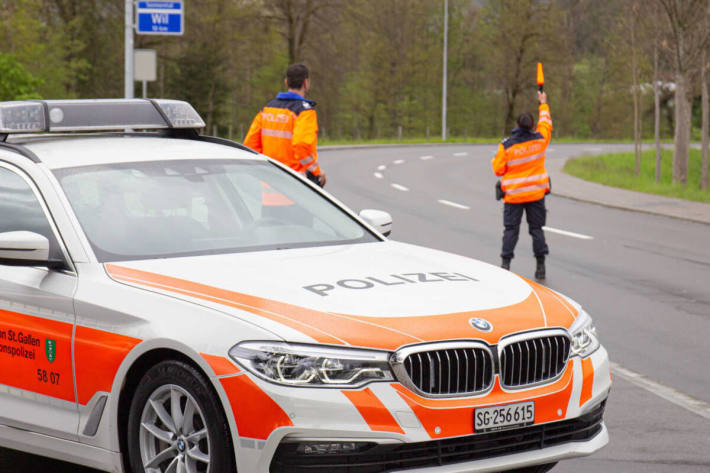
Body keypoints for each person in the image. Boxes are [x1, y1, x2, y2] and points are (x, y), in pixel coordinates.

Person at [491, 90, 552, 279]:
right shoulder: (540, 140)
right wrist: (543, 103)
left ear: (517, 125)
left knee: (511, 230)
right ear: (532, 126)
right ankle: (540, 266)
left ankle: (505, 264)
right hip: (535, 195)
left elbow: (498, 170)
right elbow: (546, 124)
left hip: (514, 197)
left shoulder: (507, 146)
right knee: (536, 230)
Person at [244, 63, 326, 187]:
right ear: (306, 83)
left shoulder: (267, 109)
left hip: (269, 186)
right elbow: (301, 145)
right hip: (295, 186)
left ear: (286, 82)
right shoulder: (305, 112)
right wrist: (316, 171)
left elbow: (250, 145)